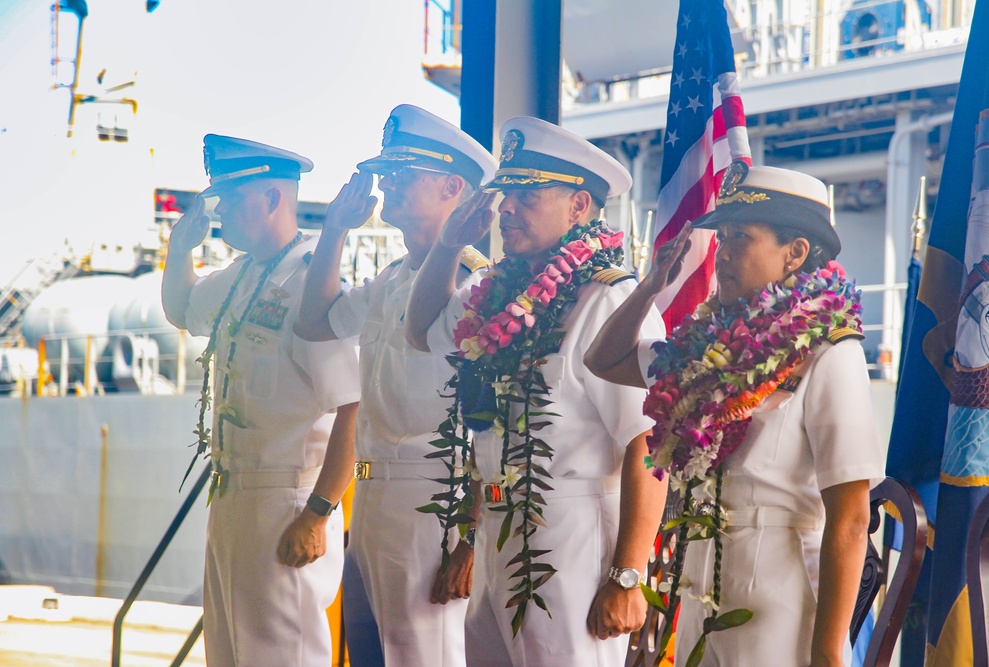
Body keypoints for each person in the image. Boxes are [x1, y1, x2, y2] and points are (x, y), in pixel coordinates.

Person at [583, 163, 885, 667]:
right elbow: (604, 360)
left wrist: (829, 652)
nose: (722, 253)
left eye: (740, 237)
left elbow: (852, 519)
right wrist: (650, 284)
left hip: (782, 586)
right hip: (705, 576)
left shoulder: (830, 351)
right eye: (720, 238)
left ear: (796, 253)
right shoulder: (707, 349)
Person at [403, 116, 668, 667]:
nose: (506, 210)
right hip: (498, 524)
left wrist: (628, 574)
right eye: (506, 195)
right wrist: (450, 243)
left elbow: (650, 442)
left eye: (527, 195)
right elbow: (421, 328)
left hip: (570, 534)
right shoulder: (497, 289)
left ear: (578, 206)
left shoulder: (608, 299)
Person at [294, 104, 498, 667]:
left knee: (425, 655)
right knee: (371, 654)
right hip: (374, 494)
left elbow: (491, 417)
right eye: (387, 173)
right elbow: (315, 322)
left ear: (452, 187)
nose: (386, 185)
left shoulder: (478, 287)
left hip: (436, 501)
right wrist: (334, 229)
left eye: (403, 175)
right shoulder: (391, 281)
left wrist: (472, 537)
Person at [161, 134, 362, 667]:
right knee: (228, 656)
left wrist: (319, 515)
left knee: (284, 655)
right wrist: (180, 249)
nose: (219, 207)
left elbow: (355, 407)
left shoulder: (310, 283)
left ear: (273, 199)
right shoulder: (242, 278)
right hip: (232, 500)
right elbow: (183, 309)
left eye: (231, 195)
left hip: (286, 504)